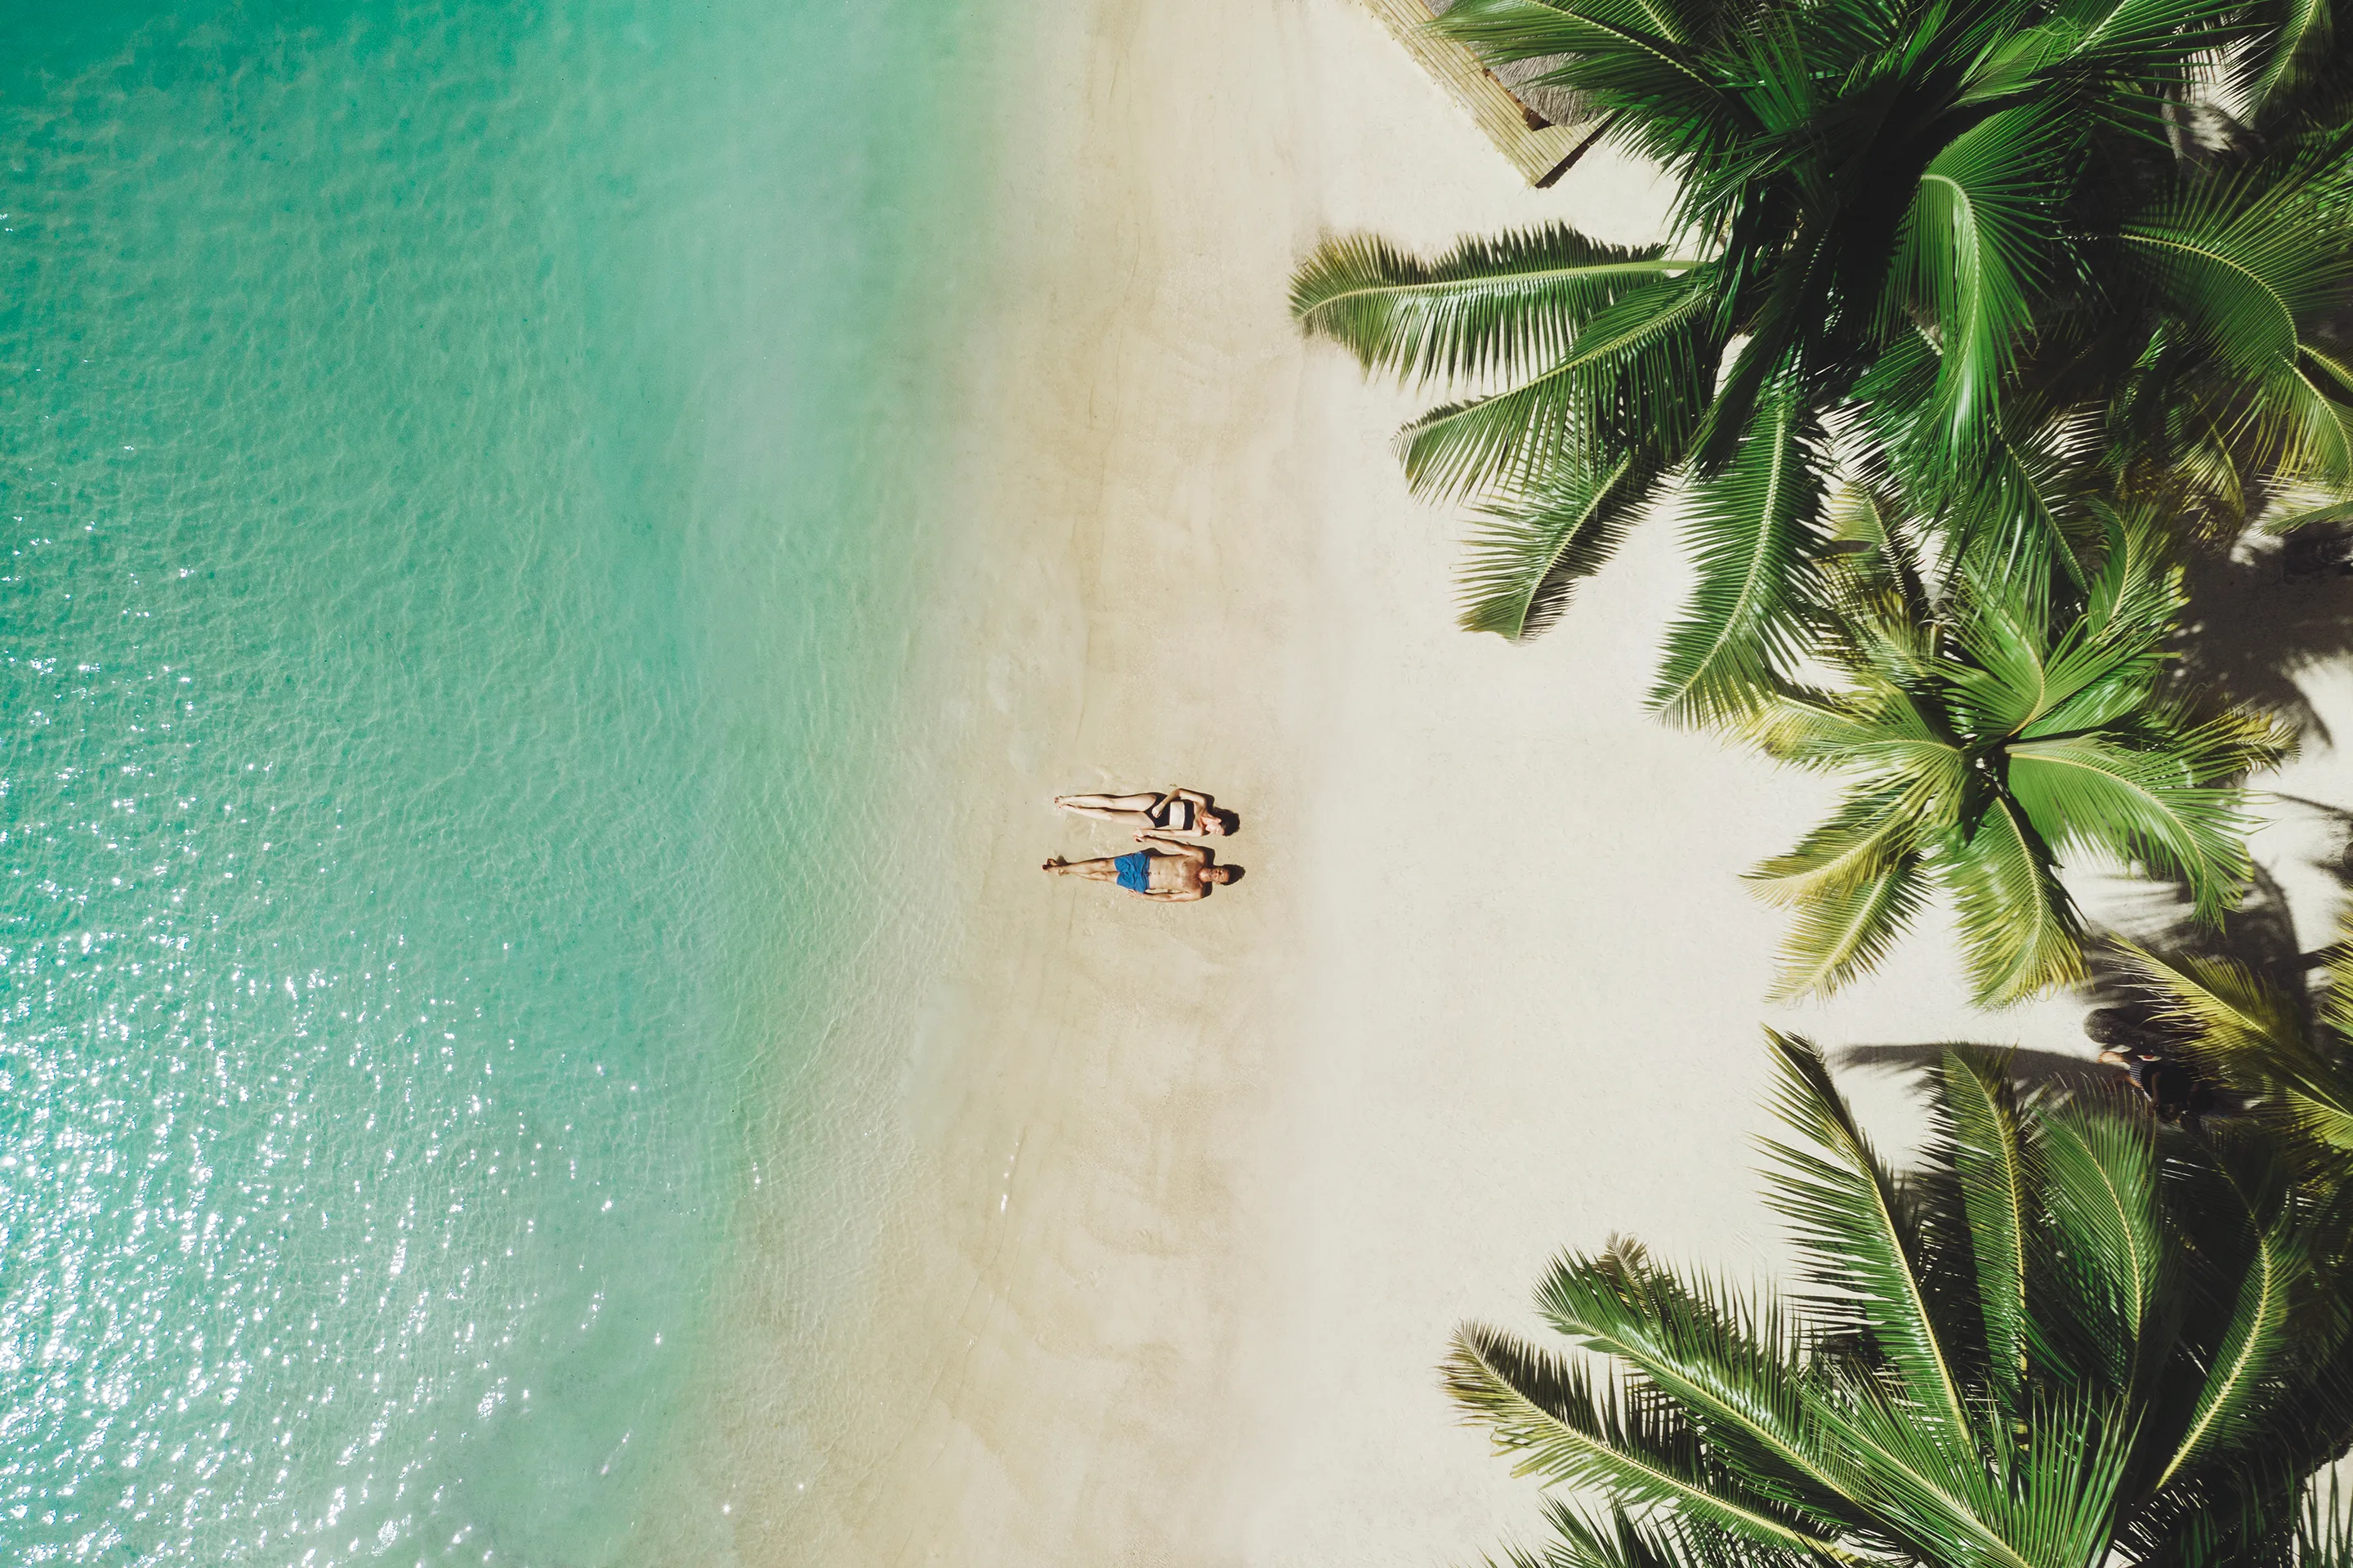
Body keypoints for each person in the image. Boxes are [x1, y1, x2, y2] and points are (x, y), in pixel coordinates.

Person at [1042, 833, 1239, 900]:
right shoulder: (1201, 856)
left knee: (1103, 876)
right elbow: (1174, 846)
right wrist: (1150, 838)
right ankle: (1063, 869)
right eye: (1222, 870)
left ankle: (1064, 869)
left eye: (1221, 877)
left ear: (1219, 883)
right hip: (1142, 862)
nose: (1218, 873)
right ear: (1220, 866)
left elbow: (1170, 897)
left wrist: (1145, 897)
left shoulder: (1197, 891)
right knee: (1102, 864)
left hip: (1142, 881)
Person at [1053, 787, 1235, 837]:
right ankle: (1069, 798)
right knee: (1112, 802)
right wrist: (1162, 805)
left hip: (1155, 822)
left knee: (1110, 816)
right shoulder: (1202, 802)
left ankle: (1073, 809)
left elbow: (1172, 832)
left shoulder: (1199, 831)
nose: (1213, 832)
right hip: (1157, 803)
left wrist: (1148, 833)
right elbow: (1178, 792)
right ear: (1218, 820)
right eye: (1217, 830)